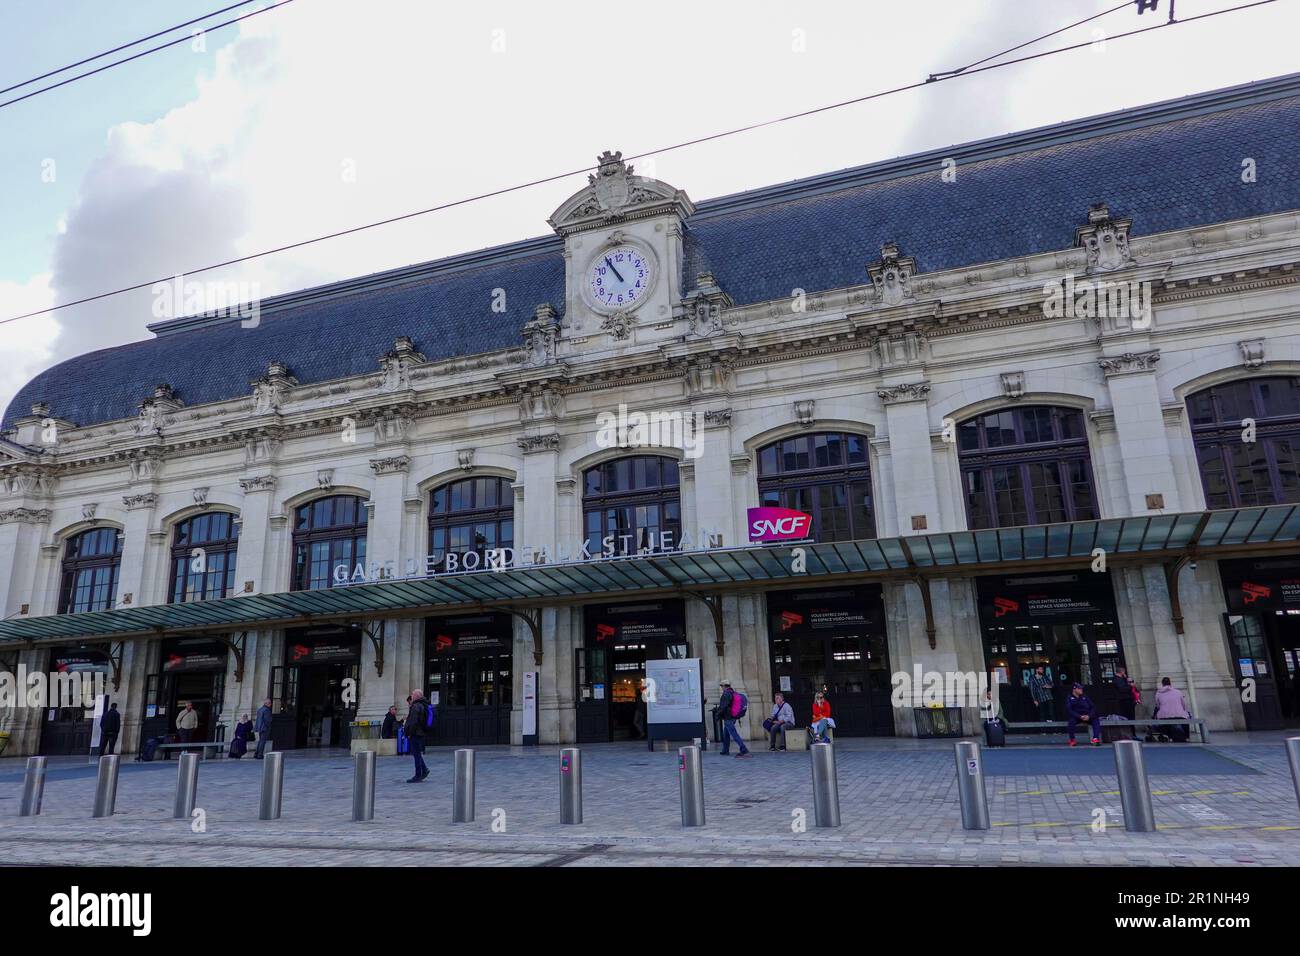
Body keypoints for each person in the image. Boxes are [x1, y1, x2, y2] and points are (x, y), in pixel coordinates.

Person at [714, 680, 750, 758]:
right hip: (733, 717)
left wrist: (717, 715)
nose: (721, 688)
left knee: (734, 734)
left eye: (721, 686)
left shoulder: (726, 694)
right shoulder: (732, 692)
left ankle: (744, 749)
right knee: (726, 733)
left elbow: (723, 707)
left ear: (724, 686)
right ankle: (725, 750)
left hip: (728, 717)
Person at [1153, 676, 1192, 742]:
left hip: (1164, 715)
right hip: (1179, 715)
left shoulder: (1158, 693)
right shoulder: (1178, 692)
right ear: (1170, 683)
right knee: (1186, 717)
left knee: (1162, 717)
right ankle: (1186, 736)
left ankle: (1167, 735)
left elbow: (1158, 705)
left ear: (1162, 684)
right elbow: (1183, 704)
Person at [406, 689, 430, 781]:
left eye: (412, 694)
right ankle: (424, 770)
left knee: (416, 754)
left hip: (415, 733)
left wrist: (409, 733)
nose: (411, 695)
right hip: (420, 732)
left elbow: (413, 722)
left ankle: (418, 775)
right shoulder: (422, 704)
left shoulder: (416, 706)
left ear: (416, 696)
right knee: (417, 753)